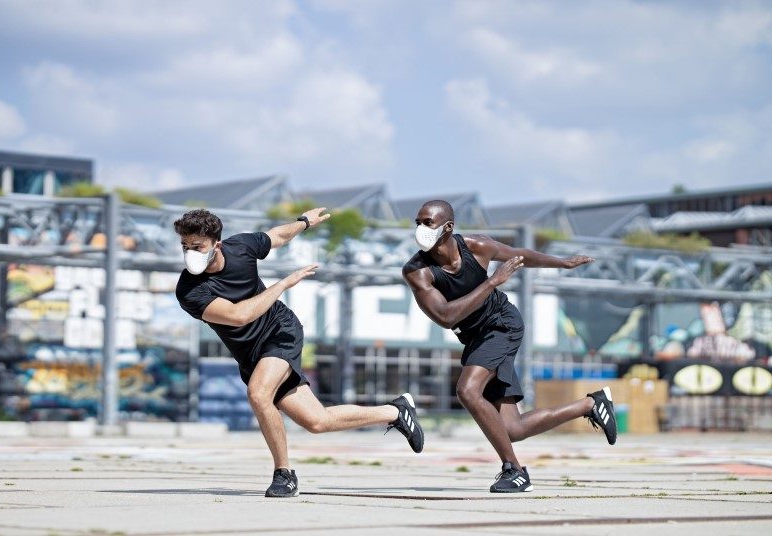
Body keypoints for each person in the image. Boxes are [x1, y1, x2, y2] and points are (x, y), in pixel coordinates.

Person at [175, 208, 423, 498]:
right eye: (185, 247)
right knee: (316, 422)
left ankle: (284, 474)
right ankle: (396, 411)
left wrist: (303, 223)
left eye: (197, 246)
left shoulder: (240, 247)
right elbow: (239, 315)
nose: (190, 253)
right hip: (251, 354)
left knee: (258, 393)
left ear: (216, 243)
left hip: (280, 332)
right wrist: (283, 284)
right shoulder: (189, 290)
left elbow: (276, 236)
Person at [402, 200, 616, 493]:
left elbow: (521, 256)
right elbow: (445, 316)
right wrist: (492, 282)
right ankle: (592, 404)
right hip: (475, 336)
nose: (420, 229)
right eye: (417, 222)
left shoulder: (477, 246)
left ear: (448, 227)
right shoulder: (417, 271)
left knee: (467, 390)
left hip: (502, 325)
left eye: (427, 222)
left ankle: (514, 470)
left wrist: (562, 262)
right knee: (512, 429)